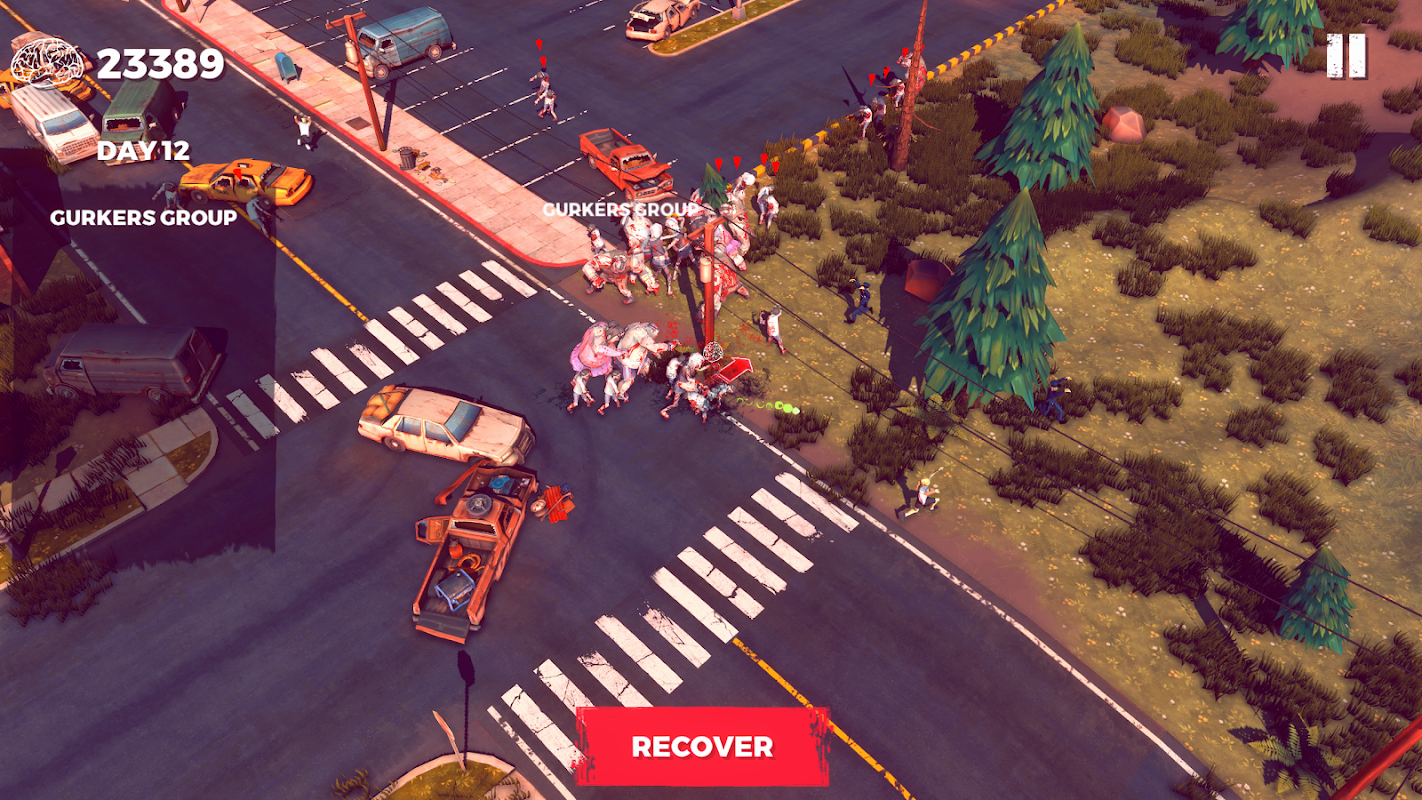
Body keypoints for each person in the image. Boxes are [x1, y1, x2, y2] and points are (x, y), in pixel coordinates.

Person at [647, 222, 673, 296]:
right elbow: (670, 236)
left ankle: (651, 283)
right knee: (668, 275)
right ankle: (669, 290)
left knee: (659, 270)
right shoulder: (660, 239)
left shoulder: (649, 241)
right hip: (662, 261)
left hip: (654, 261)